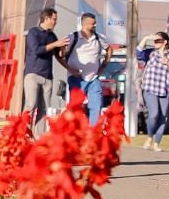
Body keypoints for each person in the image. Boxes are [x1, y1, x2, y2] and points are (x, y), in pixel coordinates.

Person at [24, 8, 68, 136]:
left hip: (48, 76)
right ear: (47, 18)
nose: (56, 22)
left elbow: (58, 55)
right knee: (31, 104)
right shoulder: (33, 32)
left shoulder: (52, 36)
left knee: (44, 109)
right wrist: (55, 44)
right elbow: (37, 50)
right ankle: (23, 133)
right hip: (33, 74)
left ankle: (39, 137)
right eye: (54, 19)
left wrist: (63, 48)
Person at [136, 31, 169, 152]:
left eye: (158, 41)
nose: (155, 43)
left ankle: (156, 143)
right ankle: (149, 137)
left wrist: (168, 62)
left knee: (163, 117)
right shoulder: (151, 53)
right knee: (154, 113)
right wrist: (146, 37)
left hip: (164, 89)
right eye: (154, 41)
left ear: (165, 42)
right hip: (150, 87)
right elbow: (138, 53)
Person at [62, 12, 108, 125]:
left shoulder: (99, 38)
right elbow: (59, 54)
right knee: (75, 108)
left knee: (96, 106)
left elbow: (109, 49)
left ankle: (93, 135)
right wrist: (69, 69)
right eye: (93, 23)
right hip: (76, 78)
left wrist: (104, 65)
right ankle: (74, 132)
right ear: (86, 24)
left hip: (93, 79)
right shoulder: (73, 37)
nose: (95, 25)